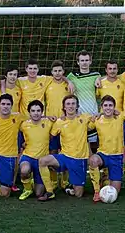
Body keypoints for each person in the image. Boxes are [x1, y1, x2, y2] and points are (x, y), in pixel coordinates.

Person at [38, 95, 93, 201]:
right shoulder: (59, 122)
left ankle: (70, 187)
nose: (70, 106)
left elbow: (98, 120)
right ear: (64, 107)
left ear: (77, 106)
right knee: (43, 161)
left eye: (73, 103)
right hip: (64, 157)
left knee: (78, 194)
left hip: (79, 160)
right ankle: (50, 192)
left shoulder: (85, 118)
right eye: (68, 104)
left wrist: (103, 113)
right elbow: (51, 135)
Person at [88, 95, 125, 202]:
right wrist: (98, 115)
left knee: (115, 191)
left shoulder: (120, 116)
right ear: (102, 107)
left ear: (114, 107)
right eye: (105, 106)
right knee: (93, 159)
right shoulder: (97, 120)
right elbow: (84, 127)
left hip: (116, 157)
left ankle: (106, 179)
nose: (108, 108)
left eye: (110, 105)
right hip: (102, 155)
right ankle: (97, 191)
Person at [18, 100, 53, 200]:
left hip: (42, 161)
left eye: (38, 110)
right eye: (33, 111)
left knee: (38, 193)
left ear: (42, 112)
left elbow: (61, 121)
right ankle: (27, 189)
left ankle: (33, 182)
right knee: (25, 170)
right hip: (28, 157)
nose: (36, 113)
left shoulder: (48, 122)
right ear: (29, 112)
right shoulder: (24, 125)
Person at [67, 50, 101, 153]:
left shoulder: (96, 75)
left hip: (93, 113)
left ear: (90, 61)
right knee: (81, 142)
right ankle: (82, 165)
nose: (84, 63)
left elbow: (103, 77)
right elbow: (61, 77)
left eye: (87, 60)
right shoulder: (72, 75)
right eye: (82, 60)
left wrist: (99, 78)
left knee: (94, 143)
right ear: (78, 62)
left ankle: (94, 167)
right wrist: (68, 81)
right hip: (79, 114)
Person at [45, 60, 71, 189]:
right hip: (51, 123)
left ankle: (65, 181)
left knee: (66, 151)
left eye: (60, 71)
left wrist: (69, 81)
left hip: (65, 123)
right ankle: (53, 180)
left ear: (63, 72)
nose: (57, 73)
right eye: (55, 71)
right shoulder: (47, 82)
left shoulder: (68, 85)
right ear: (51, 72)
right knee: (52, 151)